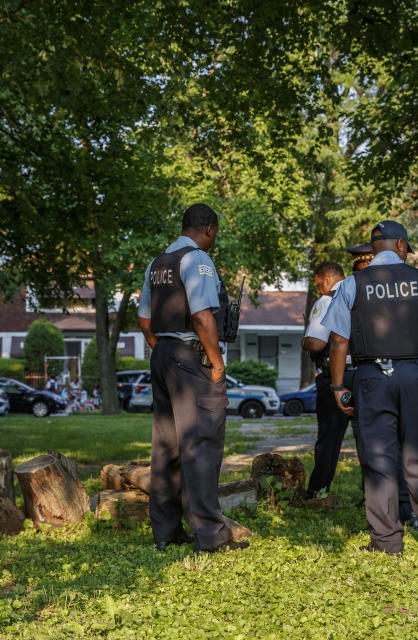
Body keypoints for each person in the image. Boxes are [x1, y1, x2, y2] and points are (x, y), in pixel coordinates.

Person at [321, 220, 418, 555]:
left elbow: (338, 341)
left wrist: (338, 386)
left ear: (373, 249)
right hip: (414, 375)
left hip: (370, 378)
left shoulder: (352, 284)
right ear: (400, 246)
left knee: (378, 459)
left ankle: (386, 543)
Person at [137, 203, 247, 554]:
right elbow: (202, 317)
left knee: (166, 448)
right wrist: (215, 363)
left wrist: (162, 348)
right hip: (192, 361)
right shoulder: (197, 259)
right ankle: (210, 537)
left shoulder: (157, 264)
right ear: (209, 229)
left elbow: (144, 319)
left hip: (164, 357)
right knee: (200, 447)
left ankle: (166, 532)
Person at [302, 262, 417, 529]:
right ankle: (382, 499)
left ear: (328, 279)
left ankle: (317, 490)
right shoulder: (369, 293)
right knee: (373, 442)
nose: (318, 287)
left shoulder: (329, 299)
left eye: (318, 282)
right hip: (374, 375)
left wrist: (305, 342)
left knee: (329, 438)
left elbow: (318, 342)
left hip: (340, 375)